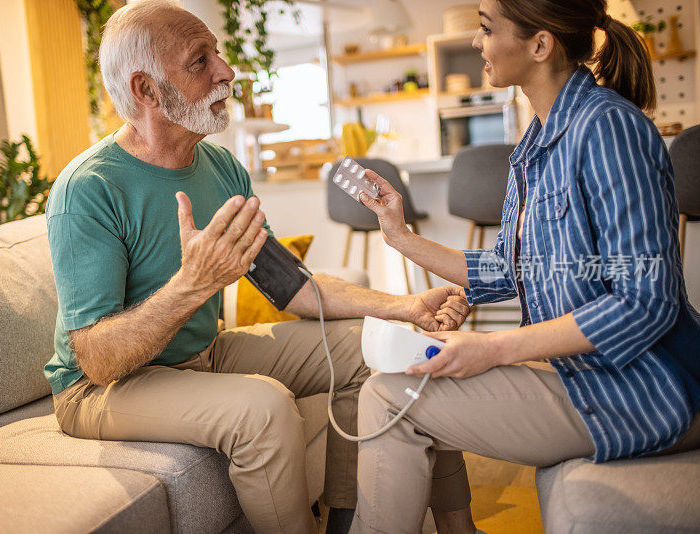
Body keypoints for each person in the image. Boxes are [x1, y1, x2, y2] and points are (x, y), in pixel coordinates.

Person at [43, 2, 470, 533]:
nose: (227, 72)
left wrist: (406, 306)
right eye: (201, 62)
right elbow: (97, 358)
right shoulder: (89, 189)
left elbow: (291, 288)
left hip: (202, 354)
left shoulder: (221, 167)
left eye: (217, 55)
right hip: (101, 389)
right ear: (146, 90)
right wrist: (190, 286)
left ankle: (369, 522)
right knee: (262, 407)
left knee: (384, 346)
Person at [352, 0, 700, 532]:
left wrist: (493, 349)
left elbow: (644, 302)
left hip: (641, 390)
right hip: (585, 376)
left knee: (387, 398)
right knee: (408, 375)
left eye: (487, 30)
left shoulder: (608, 130)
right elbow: (506, 270)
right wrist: (399, 235)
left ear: (540, 45)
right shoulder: (534, 145)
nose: (476, 43)